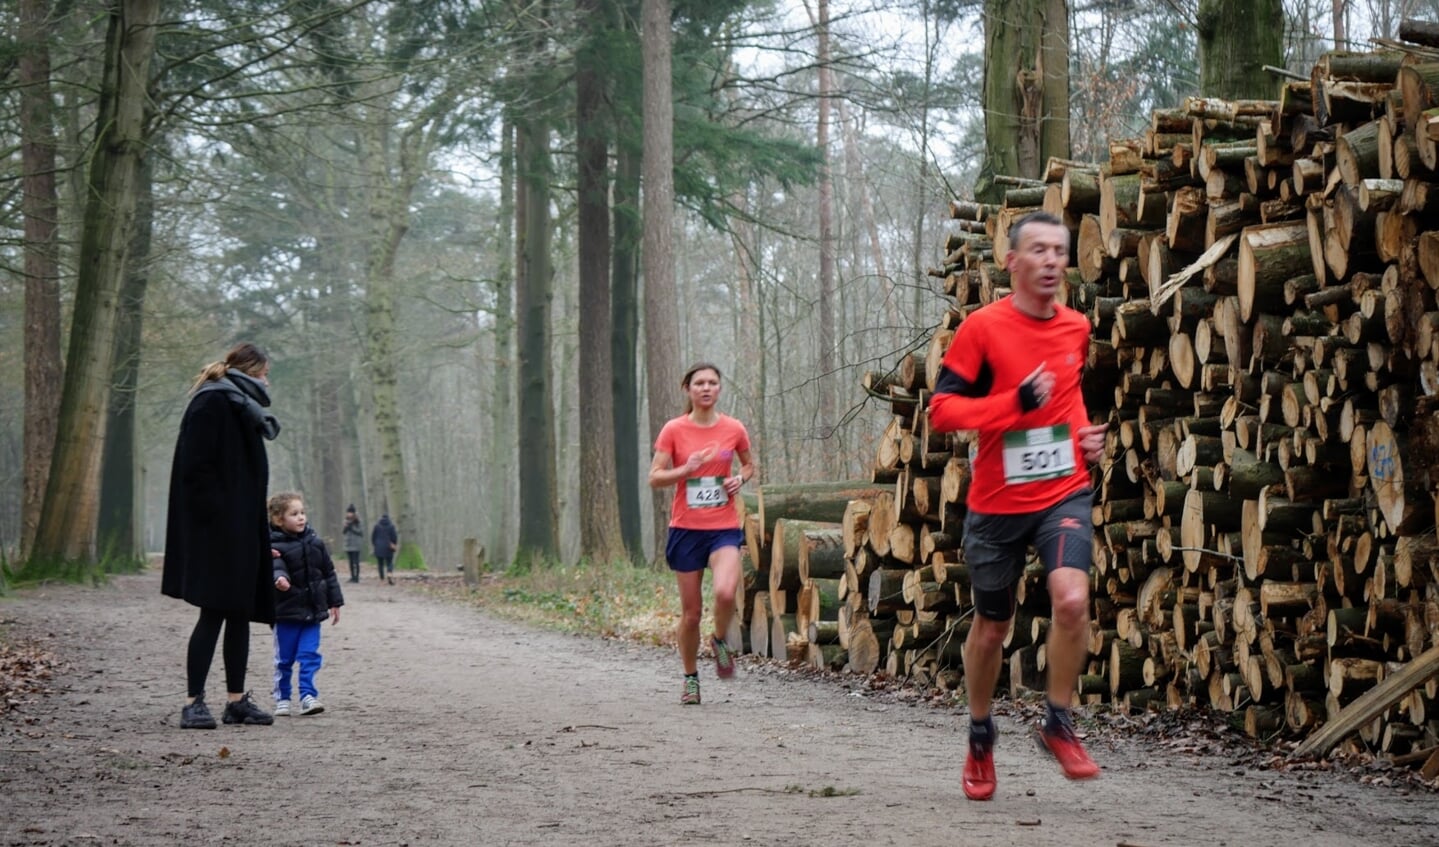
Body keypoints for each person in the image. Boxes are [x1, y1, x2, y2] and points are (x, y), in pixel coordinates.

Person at [927, 211, 1108, 800]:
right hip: (998, 502)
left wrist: (1085, 437)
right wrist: (1011, 403)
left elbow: (1071, 393)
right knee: (992, 627)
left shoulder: (1076, 327)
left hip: (1062, 490)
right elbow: (944, 413)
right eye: (1039, 250)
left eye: (1060, 250)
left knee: (1072, 600)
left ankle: (1058, 721)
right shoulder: (982, 328)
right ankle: (980, 734)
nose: (1053, 260)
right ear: (1012, 262)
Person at [161, 342, 281, 729]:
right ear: (249, 370)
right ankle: (193, 702)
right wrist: (220, 518)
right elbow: (195, 471)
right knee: (213, 613)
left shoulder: (241, 404)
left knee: (240, 614)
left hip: (244, 527)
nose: (268, 380)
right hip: (218, 532)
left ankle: (236, 701)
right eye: (264, 372)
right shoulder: (212, 402)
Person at [648, 362, 756, 706]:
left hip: (723, 527)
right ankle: (691, 678)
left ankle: (721, 640)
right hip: (686, 530)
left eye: (712, 383)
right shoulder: (674, 430)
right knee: (691, 613)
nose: (706, 388)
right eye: (699, 383)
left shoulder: (734, 428)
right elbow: (655, 477)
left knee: (726, 593)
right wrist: (686, 469)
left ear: (719, 389)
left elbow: (749, 464)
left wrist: (741, 478)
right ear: (688, 389)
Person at [268, 492, 344, 717]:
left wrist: (335, 602)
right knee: (284, 659)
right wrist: (279, 580)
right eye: (294, 514)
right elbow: (276, 566)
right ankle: (282, 698)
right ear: (279, 519)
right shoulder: (273, 545)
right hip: (285, 613)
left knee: (310, 655)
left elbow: (328, 573)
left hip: (312, 612)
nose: (301, 518)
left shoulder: (316, 542)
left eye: (302, 513)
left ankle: (307, 696)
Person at [372, 513, 398, 585]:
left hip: (379, 547)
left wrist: (375, 544)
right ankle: (389, 573)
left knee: (380, 564)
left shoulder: (377, 526)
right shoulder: (391, 526)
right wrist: (394, 544)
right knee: (389, 562)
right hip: (388, 547)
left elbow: (373, 537)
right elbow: (394, 537)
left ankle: (382, 578)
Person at [341, 505, 364, 583]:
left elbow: (360, 532)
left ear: (353, 513)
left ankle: (357, 577)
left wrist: (352, 528)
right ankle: (352, 576)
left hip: (356, 544)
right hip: (348, 544)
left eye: (350, 513)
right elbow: (343, 532)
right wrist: (346, 527)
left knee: (356, 562)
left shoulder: (358, 521)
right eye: (348, 513)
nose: (349, 514)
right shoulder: (346, 521)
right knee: (350, 562)